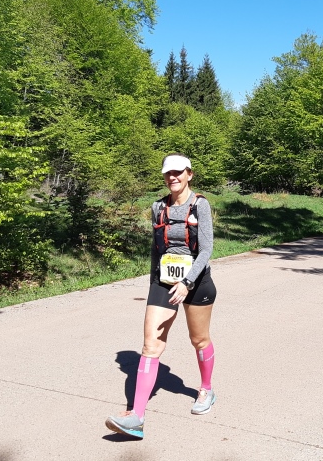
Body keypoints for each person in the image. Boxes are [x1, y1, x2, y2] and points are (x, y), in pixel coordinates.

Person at [106, 154, 218, 439]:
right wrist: (153, 283)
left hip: (196, 281)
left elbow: (206, 249)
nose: (173, 177)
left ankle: (206, 389)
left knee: (199, 339)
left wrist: (187, 282)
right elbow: (156, 250)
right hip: (164, 282)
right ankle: (137, 417)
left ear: (189, 174)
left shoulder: (200, 205)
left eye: (178, 172)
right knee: (150, 345)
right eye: (168, 173)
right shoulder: (158, 207)